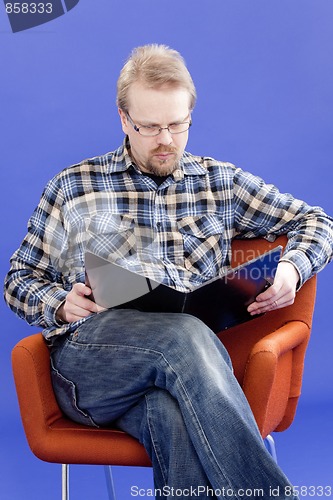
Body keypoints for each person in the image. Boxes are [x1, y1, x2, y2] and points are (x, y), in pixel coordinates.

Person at [4, 44, 333, 499]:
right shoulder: (73, 187)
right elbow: (19, 279)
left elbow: (317, 222)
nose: (166, 140)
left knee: (171, 413)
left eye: (178, 125)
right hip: (91, 368)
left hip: (183, 373)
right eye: (151, 127)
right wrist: (59, 304)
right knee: (182, 335)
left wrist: (293, 270)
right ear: (124, 119)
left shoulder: (221, 183)